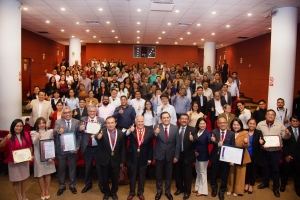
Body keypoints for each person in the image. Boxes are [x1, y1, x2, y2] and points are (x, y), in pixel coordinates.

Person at [256, 109, 291, 197]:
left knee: (276, 169)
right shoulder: (260, 124)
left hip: (276, 151)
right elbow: (257, 135)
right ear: (265, 116)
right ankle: (265, 182)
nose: (270, 116)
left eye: (272, 115)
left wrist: (287, 133)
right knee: (265, 167)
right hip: (264, 150)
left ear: (275, 116)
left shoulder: (280, 125)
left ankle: (276, 187)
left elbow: (285, 137)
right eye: (268, 114)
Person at [0, 119, 33, 200]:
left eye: (21, 126)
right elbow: (1, 146)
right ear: (13, 127)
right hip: (13, 162)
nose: (19, 128)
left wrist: (30, 155)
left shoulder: (26, 134)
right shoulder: (9, 136)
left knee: (24, 179)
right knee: (16, 180)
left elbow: (29, 146)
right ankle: (18, 197)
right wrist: (6, 139)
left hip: (24, 161)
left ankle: (24, 195)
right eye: (17, 126)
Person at [94, 117, 126, 200]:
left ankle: (114, 192)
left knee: (115, 178)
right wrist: (98, 137)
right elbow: (97, 138)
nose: (110, 125)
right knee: (105, 178)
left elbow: (123, 148)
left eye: (112, 123)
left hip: (116, 160)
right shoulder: (101, 132)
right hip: (104, 160)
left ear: (115, 123)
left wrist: (122, 161)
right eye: (108, 123)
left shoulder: (121, 134)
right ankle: (106, 192)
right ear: (106, 124)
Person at [54, 106, 82, 196]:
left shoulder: (76, 122)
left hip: (72, 149)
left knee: (72, 168)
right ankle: (62, 186)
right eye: (65, 113)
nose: (67, 114)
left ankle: (72, 185)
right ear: (63, 114)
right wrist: (58, 131)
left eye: (69, 112)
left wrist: (77, 146)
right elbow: (54, 132)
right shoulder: (58, 122)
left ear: (72, 113)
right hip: (61, 150)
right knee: (61, 168)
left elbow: (80, 135)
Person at [153, 112, 180, 200]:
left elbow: (178, 143)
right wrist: (155, 133)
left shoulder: (175, 128)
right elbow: (151, 138)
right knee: (158, 175)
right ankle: (159, 191)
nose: (166, 119)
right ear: (161, 119)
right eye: (164, 118)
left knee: (169, 175)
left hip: (170, 156)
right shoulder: (157, 127)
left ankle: (168, 192)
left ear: (170, 118)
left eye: (167, 117)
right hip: (159, 155)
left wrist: (176, 156)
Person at [126, 116, 153, 200]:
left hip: (143, 157)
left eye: (142, 121)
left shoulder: (149, 132)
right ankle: (131, 192)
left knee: (142, 176)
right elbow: (125, 135)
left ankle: (140, 193)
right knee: (132, 176)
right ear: (135, 122)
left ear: (144, 122)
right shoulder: (132, 130)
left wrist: (149, 158)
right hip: (132, 157)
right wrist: (129, 131)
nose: (140, 123)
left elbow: (150, 147)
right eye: (138, 121)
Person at [80, 105, 106, 193]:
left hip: (98, 147)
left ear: (96, 112)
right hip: (87, 147)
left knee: (99, 168)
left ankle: (101, 185)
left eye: (93, 111)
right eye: (90, 111)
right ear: (87, 112)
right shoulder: (83, 119)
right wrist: (81, 128)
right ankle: (88, 185)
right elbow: (79, 131)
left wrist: (101, 133)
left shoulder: (101, 120)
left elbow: (104, 130)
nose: (92, 113)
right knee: (88, 167)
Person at [30, 117, 56, 200]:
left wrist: (52, 156)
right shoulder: (34, 133)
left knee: (48, 173)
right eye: (39, 123)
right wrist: (37, 138)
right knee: (40, 174)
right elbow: (34, 143)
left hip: (48, 155)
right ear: (37, 125)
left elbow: (52, 144)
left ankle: (47, 189)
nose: (41, 125)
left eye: (43, 123)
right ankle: (42, 190)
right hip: (38, 155)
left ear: (45, 124)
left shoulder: (50, 132)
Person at [210, 117, 235, 200]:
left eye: (224, 123)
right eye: (220, 123)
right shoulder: (214, 131)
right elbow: (211, 142)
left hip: (226, 158)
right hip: (215, 157)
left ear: (227, 123)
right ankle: (214, 189)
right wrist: (216, 143)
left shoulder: (231, 133)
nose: (222, 124)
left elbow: (233, 146)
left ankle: (221, 191)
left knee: (224, 176)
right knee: (213, 175)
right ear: (218, 124)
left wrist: (232, 160)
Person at [174, 114, 196, 200]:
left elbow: (197, 139)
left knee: (187, 175)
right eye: (182, 119)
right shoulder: (175, 129)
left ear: (188, 121)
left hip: (188, 155)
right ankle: (179, 188)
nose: (183, 120)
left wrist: (192, 139)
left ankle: (187, 191)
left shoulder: (192, 129)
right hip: (177, 155)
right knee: (178, 173)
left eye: (185, 119)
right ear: (179, 120)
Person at [227, 118, 251, 196]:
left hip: (242, 157)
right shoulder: (229, 133)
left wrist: (245, 142)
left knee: (240, 175)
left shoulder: (245, 133)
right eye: (234, 124)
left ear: (240, 125)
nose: (236, 126)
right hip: (231, 157)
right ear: (231, 125)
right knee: (231, 174)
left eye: (238, 125)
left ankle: (238, 191)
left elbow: (246, 145)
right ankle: (230, 189)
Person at [244, 118, 265, 194]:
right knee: (246, 171)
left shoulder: (259, 132)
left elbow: (263, 141)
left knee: (253, 171)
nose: (252, 125)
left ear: (256, 125)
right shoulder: (244, 131)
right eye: (250, 123)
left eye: (253, 124)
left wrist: (262, 142)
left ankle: (251, 185)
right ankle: (246, 184)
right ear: (248, 124)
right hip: (246, 155)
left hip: (255, 156)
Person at [281, 115, 300, 196]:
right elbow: (285, 144)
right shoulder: (287, 130)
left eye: (296, 121)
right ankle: (283, 185)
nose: (295, 122)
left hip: (299, 156)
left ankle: (297, 187)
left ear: (299, 122)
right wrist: (287, 154)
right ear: (290, 122)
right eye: (293, 121)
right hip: (289, 155)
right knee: (285, 171)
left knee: (298, 173)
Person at [192, 118, 210, 197]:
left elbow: (210, 140)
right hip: (196, 154)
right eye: (201, 124)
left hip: (203, 155)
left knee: (203, 173)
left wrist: (213, 139)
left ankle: (203, 190)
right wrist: (194, 151)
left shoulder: (208, 133)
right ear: (198, 124)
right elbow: (195, 143)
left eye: (204, 123)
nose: (202, 125)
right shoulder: (197, 132)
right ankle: (197, 187)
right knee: (198, 172)